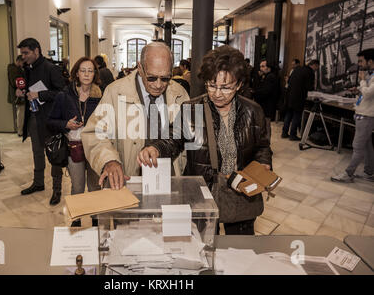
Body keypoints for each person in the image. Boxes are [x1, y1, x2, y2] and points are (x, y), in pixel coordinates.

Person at [138, 45, 272, 235]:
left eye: (226, 88)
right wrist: (156, 148)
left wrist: (263, 163)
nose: (217, 93)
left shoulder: (253, 112)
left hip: (241, 195)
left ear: (239, 84)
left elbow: (262, 147)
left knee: (239, 249)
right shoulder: (192, 109)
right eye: (211, 85)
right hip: (201, 194)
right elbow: (172, 139)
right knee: (201, 247)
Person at [81, 42, 190, 190]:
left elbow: (187, 134)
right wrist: (109, 160)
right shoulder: (115, 92)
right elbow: (94, 133)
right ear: (140, 67)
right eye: (151, 78)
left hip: (170, 180)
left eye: (165, 78)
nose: (158, 85)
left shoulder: (180, 93)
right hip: (130, 181)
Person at [47, 57, 102, 206]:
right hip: (74, 147)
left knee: (95, 187)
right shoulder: (64, 96)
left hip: (95, 147)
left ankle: (95, 221)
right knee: (77, 187)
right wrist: (66, 124)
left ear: (94, 74)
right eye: (83, 70)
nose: (86, 74)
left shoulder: (100, 96)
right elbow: (50, 121)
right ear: (76, 73)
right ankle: (76, 221)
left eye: (90, 71)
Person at [16, 38, 65, 205]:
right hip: (34, 117)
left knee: (54, 154)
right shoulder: (27, 69)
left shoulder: (51, 68)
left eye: (26, 53)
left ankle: (57, 190)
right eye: (22, 53)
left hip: (50, 119)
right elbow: (29, 90)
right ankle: (38, 183)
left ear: (36, 50)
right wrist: (21, 93)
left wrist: (40, 95)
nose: (23, 56)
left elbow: (62, 93)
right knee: (37, 152)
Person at [331, 49, 374, 183]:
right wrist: (359, 89)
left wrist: (361, 82)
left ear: (370, 61)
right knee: (367, 146)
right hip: (362, 113)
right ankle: (369, 172)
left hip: (366, 116)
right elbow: (366, 93)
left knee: (357, 146)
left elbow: (367, 93)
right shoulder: (370, 75)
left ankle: (348, 174)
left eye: (361, 61)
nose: (359, 64)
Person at [282, 60, 319, 141]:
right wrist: (314, 88)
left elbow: (289, 81)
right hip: (299, 98)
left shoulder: (297, 69)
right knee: (296, 116)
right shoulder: (310, 72)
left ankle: (284, 133)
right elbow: (309, 87)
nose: (317, 69)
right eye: (317, 67)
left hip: (289, 96)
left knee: (289, 114)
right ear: (314, 65)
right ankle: (292, 135)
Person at [7, 55, 26, 136]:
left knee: (21, 111)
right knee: (21, 112)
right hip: (18, 94)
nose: (24, 64)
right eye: (23, 62)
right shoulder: (13, 69)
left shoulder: (15, 69)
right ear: (19, 61)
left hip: (19, 93)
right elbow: (16, 82)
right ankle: (20, 131)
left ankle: (21, 130)